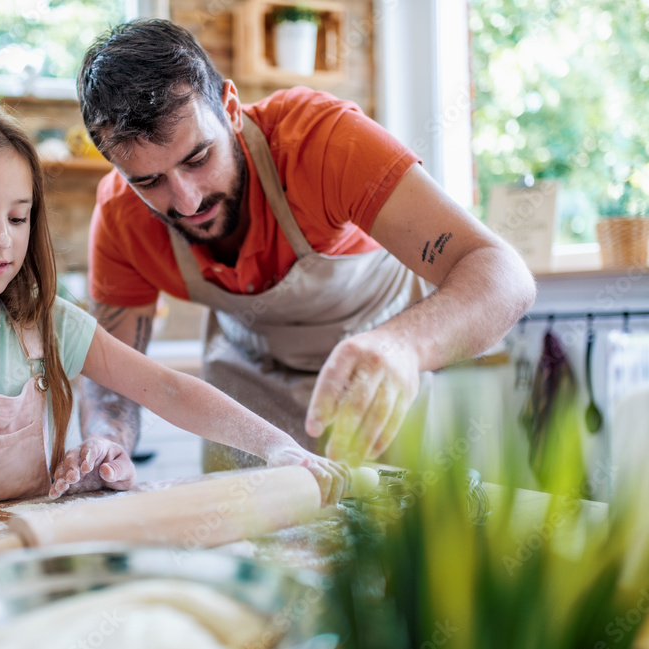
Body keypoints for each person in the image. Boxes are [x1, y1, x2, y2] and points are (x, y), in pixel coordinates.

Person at [0, 101, 347, 576]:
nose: (1, 240)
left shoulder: (45, 319)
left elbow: (168, 389)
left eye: (18, 218)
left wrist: (277, 445)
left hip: (23, 561)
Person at [68, 19, 536, 477]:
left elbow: (503, 275)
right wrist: (106, 439)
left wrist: (403, 346)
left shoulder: (322, 141)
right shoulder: (119, 217)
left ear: (230, 108)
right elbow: (112, 378)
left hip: (375, 374)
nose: (187, 200)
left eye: (198, 158)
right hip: (244, 386)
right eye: (149, 181)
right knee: (250, 548)